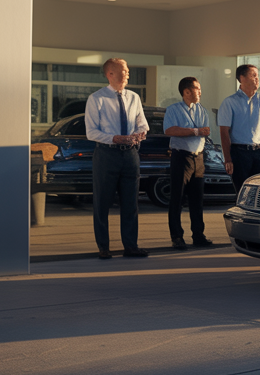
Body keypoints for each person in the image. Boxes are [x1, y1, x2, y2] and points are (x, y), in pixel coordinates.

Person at [85, 58, 149, 259]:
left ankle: (131, 246)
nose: (128, 73)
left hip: (130, 155)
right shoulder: (97, 99)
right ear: (110, 74)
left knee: (131, 203)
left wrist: (140, 133)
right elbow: (91, 132)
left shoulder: (134, 97)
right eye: (124, 70)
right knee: (102, 202)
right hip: (106, 154)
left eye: (128, 70)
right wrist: (114, 138)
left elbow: (143, 124)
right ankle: (104, 247)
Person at [161, 77, 213, 250]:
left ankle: (198, 235)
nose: (200, 92)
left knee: (197, 199)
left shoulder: (202, 110)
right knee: (177, 198)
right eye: (197, 88)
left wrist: (194, 132)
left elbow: (205, 131)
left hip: (198, 157)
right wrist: (195, 131)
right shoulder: (173, 110)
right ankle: (177, 236)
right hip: (181, 157)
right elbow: (170, 130)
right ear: (186, 91)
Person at [219, 64, 260, 191]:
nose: (257, 79)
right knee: (242, 192)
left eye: (258, 76)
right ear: (242, 78)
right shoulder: (229, 102)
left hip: (259, 152)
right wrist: (228, 159)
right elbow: (224, 132)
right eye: (253, 75)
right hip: (239, 153)